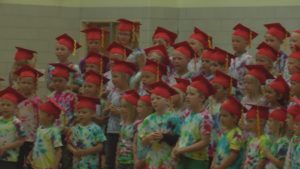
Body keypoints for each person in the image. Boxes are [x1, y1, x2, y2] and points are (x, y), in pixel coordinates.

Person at [173, 75, 214, 169]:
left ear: (202, 98)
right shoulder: (187, 113)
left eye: (191, 94)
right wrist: (176, 147)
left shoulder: (205, 117)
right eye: (187, 94)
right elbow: (182, 135)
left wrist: (183, 149)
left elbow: (205, 142)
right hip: (183, 157)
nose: (187, 97)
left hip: (197, 161)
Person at [139, 81, 181, 169]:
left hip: (168, 159)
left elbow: (180, 139)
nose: (154, 101)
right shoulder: (148, 119)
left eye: (158, 98)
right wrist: (148, 138)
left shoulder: (174, 118)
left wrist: (164, 137)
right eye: (152, 99)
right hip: (152, 159)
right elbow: (142, 141)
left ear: (167, 101)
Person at [105, 60, 136, 169]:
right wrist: (108, 109)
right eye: (112, 77)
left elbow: (133, 112)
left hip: (124, 130)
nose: (113, 80)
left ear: (125, 77)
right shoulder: (113, 92)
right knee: (110, 158)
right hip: (111, 130)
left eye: (116, 77)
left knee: (122, 156)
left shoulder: (131, 93)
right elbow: (106, 108)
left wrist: (118, 112)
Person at [14, 66, 43, 169]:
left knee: (29, 162)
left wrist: (38, 136)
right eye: (23, 82)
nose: (26, 85)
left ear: (34, 85)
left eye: (29, 83)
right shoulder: (15, 99)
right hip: (16, 137)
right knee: (17, 162)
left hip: (31, 138)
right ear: (19, 83)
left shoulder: (37, 101)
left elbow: (40, 119)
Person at [67, 95, 106, 169]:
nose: (81, 114)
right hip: (77, 163)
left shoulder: (96, 128)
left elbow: (100, 146)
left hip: (91, 164)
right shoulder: (75, 128)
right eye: (79, 112)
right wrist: (74, 151)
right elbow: (69, 144)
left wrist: (86, 151)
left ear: (92, 114)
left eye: (84, 112)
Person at [211, 96, 246, 169]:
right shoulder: (223, 132)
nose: (221, 118)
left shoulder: (237, 134)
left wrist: (221, 167)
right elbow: (218, 150)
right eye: (220, 115)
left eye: (225, 116)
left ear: (235, 118)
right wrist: (213, 163)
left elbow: (233, 155)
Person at [28, 98, 63, 169]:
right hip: (37, 164)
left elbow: (58, 150)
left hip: (48, 165)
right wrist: (30, 154)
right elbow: (36, 144)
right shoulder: (39, 128)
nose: (38, 115)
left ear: (50, 117)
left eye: (41, 113)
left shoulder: (54, 131)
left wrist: (55, 164)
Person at [0, 87, 26, 169]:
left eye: (8, 105)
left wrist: (5, 147)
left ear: (15, 108)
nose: (5, 107)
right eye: (3, 105)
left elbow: (21, 140)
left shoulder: (17, 122)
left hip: (9, 158)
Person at [229, 24, 257, 98]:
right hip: (231, 92)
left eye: (238, 41)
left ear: (247, 43)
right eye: (233, 41)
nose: (234, 43)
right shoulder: (231, 58)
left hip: (243, 93)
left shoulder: (248, 59)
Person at [117, 90, 139, 169]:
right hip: (121, 160)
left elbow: (136, 144)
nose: (122, 109)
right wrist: (117, 159)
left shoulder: (136, 125)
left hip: (131, 161)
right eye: (121, 106)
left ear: (132, 108)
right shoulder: (122, 124)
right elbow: (119, 142)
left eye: (125, 106)